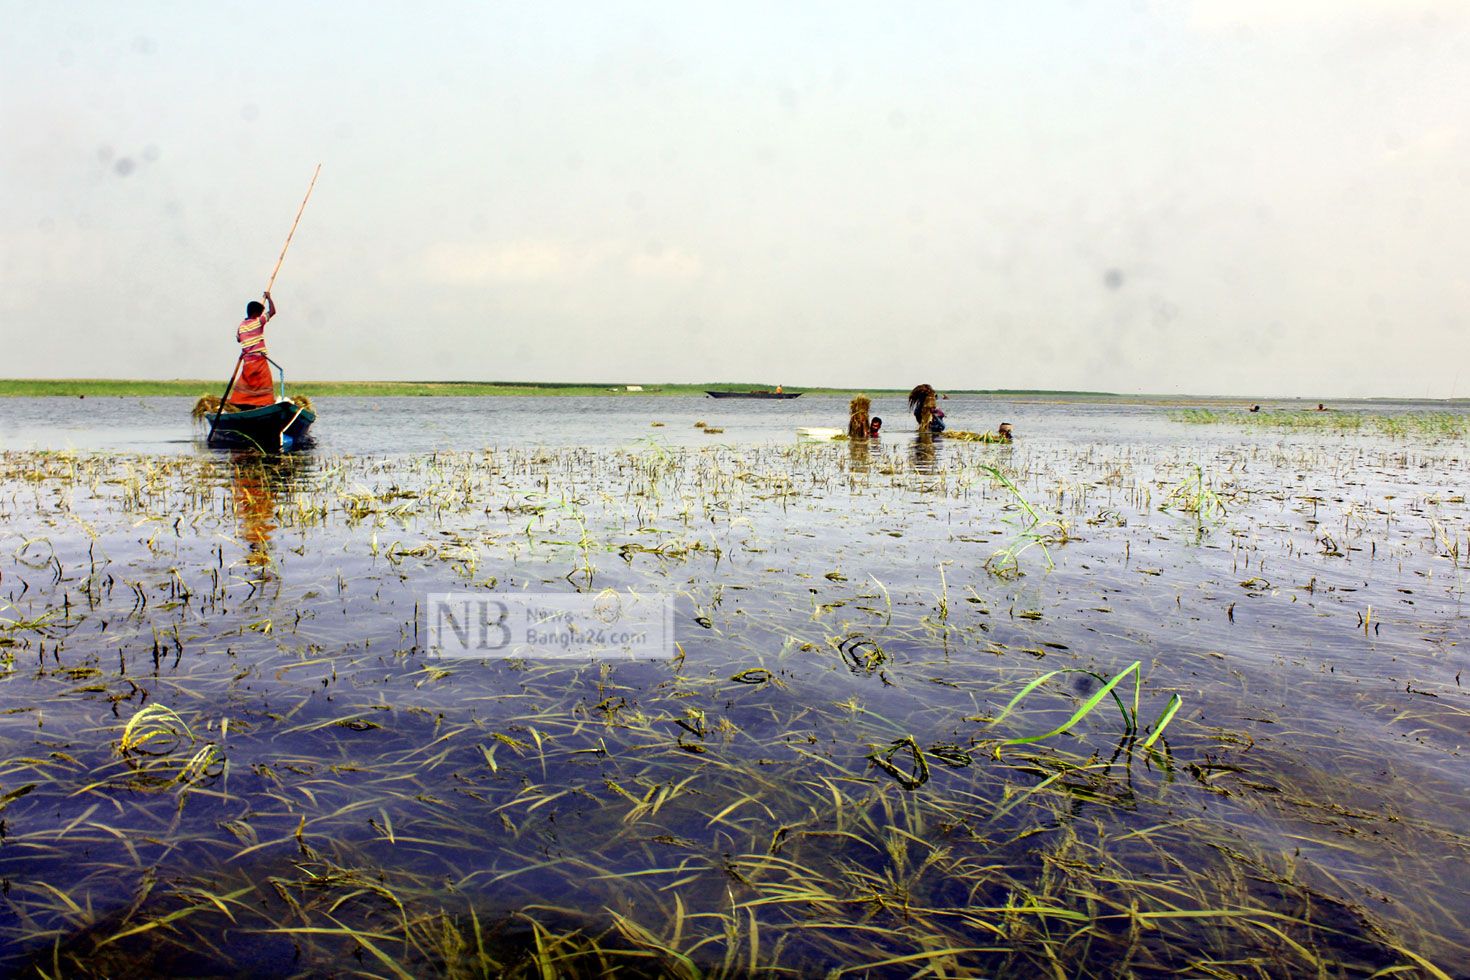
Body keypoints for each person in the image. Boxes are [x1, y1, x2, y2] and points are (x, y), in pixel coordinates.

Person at [228, 291, 278, 407]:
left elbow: (238, 339)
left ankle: (243, 404)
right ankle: (264, 404)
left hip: (248, 362)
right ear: (257, 313)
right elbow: (273, 311)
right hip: (259, 360)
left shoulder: (241, 326)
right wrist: (269, 298)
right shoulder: (258, 321)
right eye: (260, 312)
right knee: (264, 385)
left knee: (247, 385)